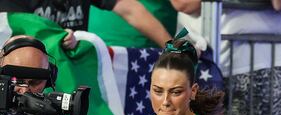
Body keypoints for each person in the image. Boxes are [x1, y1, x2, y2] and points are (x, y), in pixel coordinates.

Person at [0, 0, 173, 50]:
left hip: (69, 77)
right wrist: (54, 37)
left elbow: (130, 9)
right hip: (25, 80)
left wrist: (172, 45)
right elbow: (11, 33)